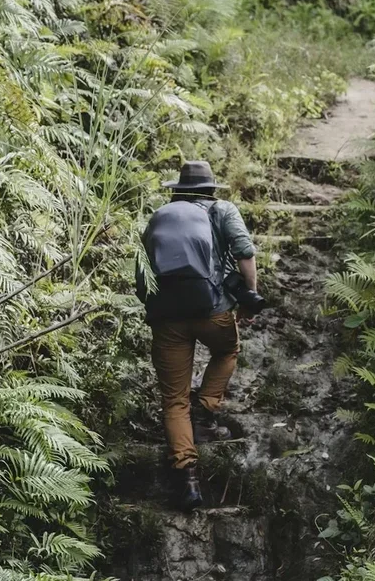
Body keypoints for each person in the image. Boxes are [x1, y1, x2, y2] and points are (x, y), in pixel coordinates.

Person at [136, 160, 258, 511]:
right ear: (210, 190)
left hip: (167, 318)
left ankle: (187, 479)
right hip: (213, 312)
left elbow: (143, 271)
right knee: (227, 352)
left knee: (173, 402)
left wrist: (156, 311)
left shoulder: (161, 216)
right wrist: (248, 299)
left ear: (177, 190)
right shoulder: (222, 210)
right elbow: (245, 254)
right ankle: (205, 412)